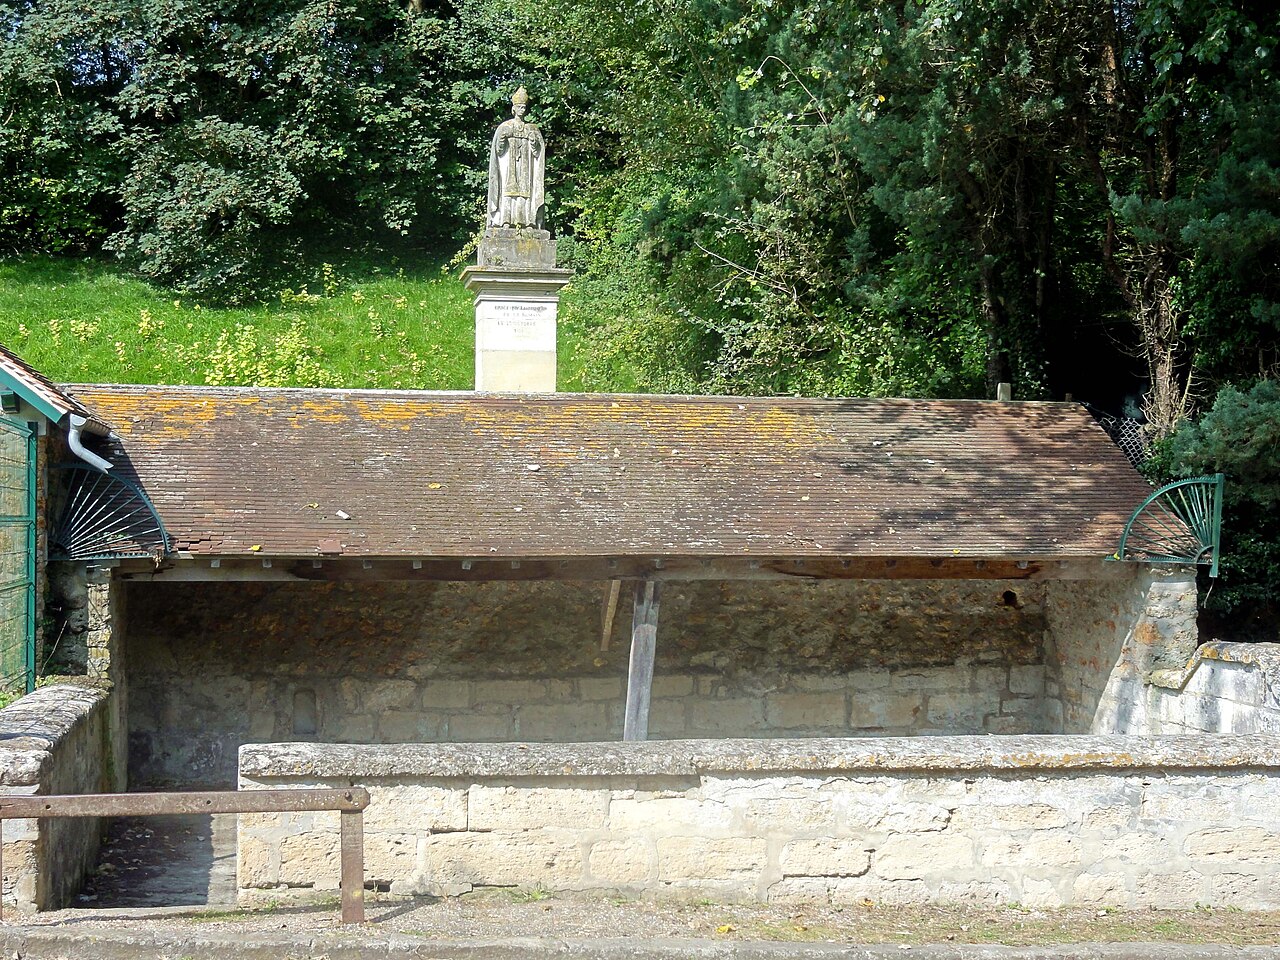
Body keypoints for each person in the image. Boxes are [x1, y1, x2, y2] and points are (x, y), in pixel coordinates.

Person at [487, 87, 545, 230]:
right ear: (514, 108)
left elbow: (538, 153)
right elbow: (498, 152)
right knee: (508, 191)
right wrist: (502, 138)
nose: (522, 110)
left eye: (524, 107)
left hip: (526, 166)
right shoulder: (505, 127)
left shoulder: (532, 128)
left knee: (526, 192)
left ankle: (528, 222)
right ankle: (506, 221)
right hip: (509, 164)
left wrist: (533, 142)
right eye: (519, 107)